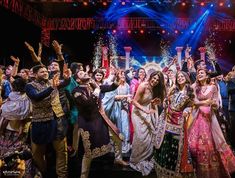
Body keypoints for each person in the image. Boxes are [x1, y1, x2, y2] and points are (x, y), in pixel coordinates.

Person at [188, 68, 235, 178]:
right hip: (197, 116)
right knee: (195, 144)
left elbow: (216, 104)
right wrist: (205, 102)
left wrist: (213, 104)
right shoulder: (196, 87)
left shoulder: (213, 87)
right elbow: (193, 101)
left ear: (207, 75)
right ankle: (195, 167)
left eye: (202, 73)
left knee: (212, 142)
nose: (199, 74)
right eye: (198, 73)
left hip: (209, 117)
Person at [154, 71, 195, 178]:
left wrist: (187, 110)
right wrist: (165, 101)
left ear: (186, 77)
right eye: (178, 77)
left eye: (182, 76)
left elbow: (191, 105)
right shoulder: (173, 89)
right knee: (165, 142)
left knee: (175, 145)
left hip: (179, 122)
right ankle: (163, 169)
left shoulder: (190, 91)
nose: (180, 78)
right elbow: (166, 101)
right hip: (167, 119)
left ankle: (173, 171)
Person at [130, 71, 166, 176]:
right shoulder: (143, 85)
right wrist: (145, 110)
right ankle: (136, 159)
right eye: (153, 78)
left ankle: (145, 157)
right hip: (137, 112)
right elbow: (134, 101)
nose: (154, 81)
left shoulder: (154, 88)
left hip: (147, 110)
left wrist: (154, 102)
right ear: (150, 77)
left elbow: (149, 101)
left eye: (157, 80)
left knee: (148, 136)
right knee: (140, 136)